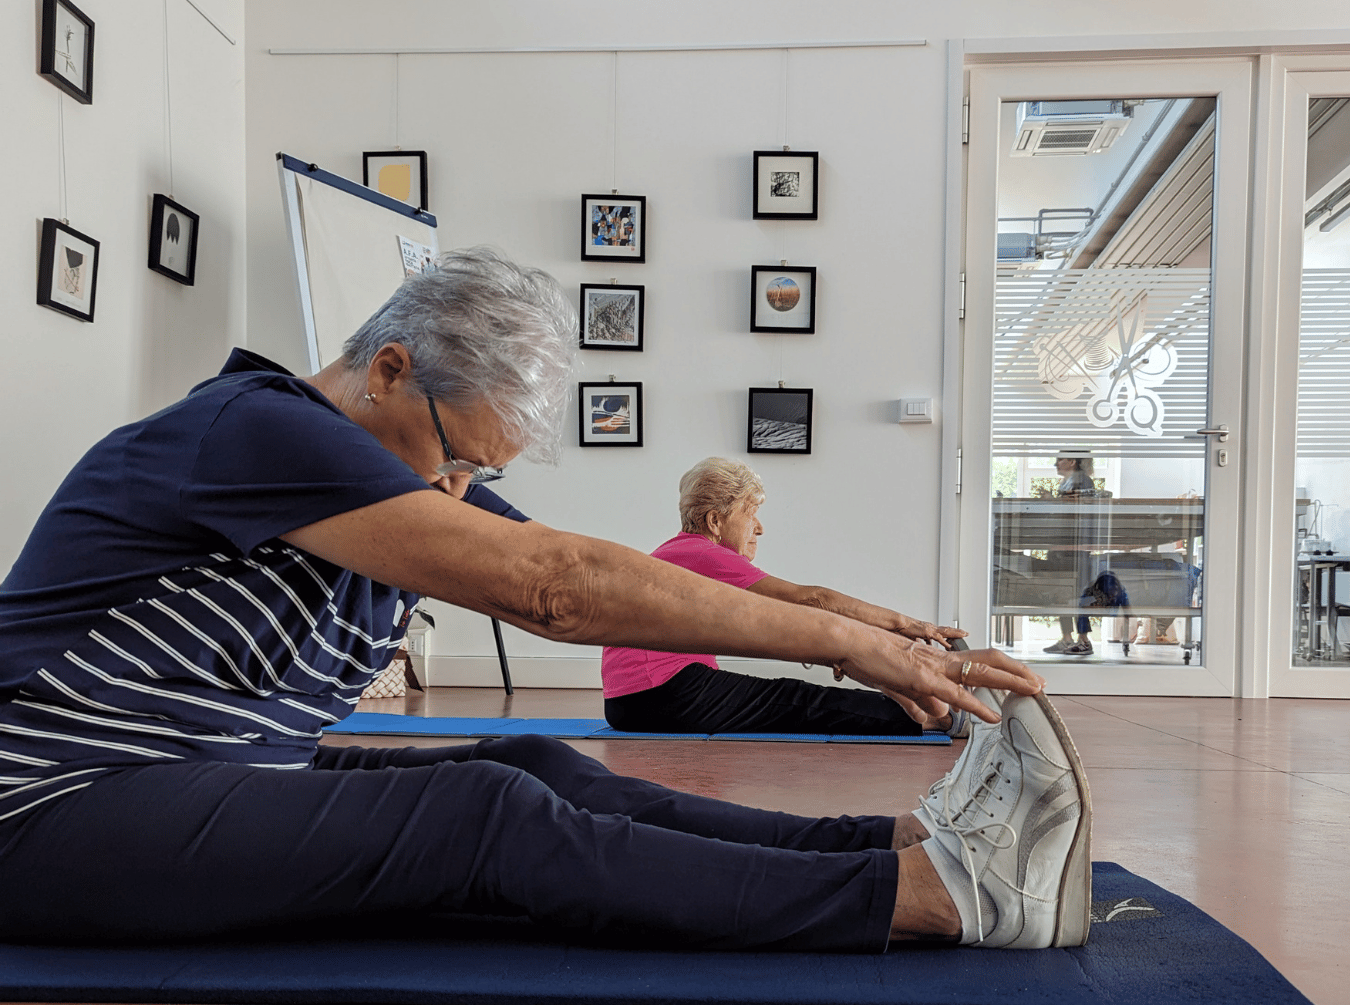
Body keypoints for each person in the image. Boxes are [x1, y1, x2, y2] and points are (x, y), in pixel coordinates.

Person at [0, 247, 1089, 952]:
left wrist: (874, 627)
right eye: (454, 459)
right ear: (386, 369)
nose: (457, 494)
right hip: (47, 805)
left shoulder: (390, 465)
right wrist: (850, 656)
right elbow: (556, 591)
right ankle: (929, 904)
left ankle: (883, 845)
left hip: (204, 778)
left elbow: (640, 581)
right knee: (480, 817)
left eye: (480, 475)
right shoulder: (254, 430)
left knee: (530, 764)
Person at [604, 457, 970, 736]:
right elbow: (811, 600)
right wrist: (908, 625)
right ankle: (941, 719)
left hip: (641, 698)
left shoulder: (680, 551)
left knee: (795, 696)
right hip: (661, 694)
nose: (759, 528)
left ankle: (930, 710)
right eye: (750, 514)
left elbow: (782, 623)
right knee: (797, 702)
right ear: (715, 521)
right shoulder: (701, 553)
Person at [1042, 452, 1102, 655]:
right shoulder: (1067, 482)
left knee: (1077, 594)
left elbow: (1077, 509)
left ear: (1072, 461)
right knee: (1063, 593)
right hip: (1063, 546)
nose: (1056, 463)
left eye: (1060, 459)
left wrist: (1052, 501)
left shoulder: (1082, 481)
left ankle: (1084, 640)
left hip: (1074, 547)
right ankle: (1067, 639)